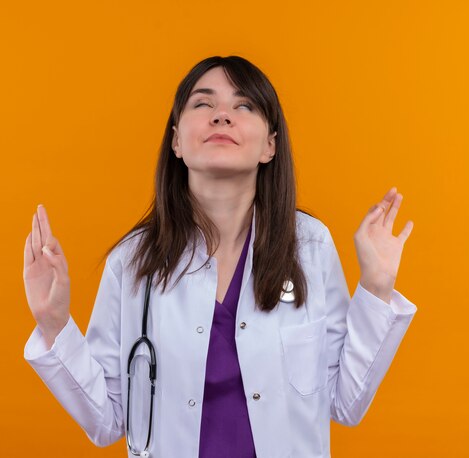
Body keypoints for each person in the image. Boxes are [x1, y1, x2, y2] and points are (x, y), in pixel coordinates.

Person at [22, 55, 417, 458]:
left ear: (270, 145)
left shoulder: (310, 246)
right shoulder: (133, 261)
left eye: (244, 106)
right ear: (176, 140)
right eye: (203, 103)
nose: (222, 116)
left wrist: (376, 287)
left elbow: (346, 403)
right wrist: (54, 325)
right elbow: (107, 419)